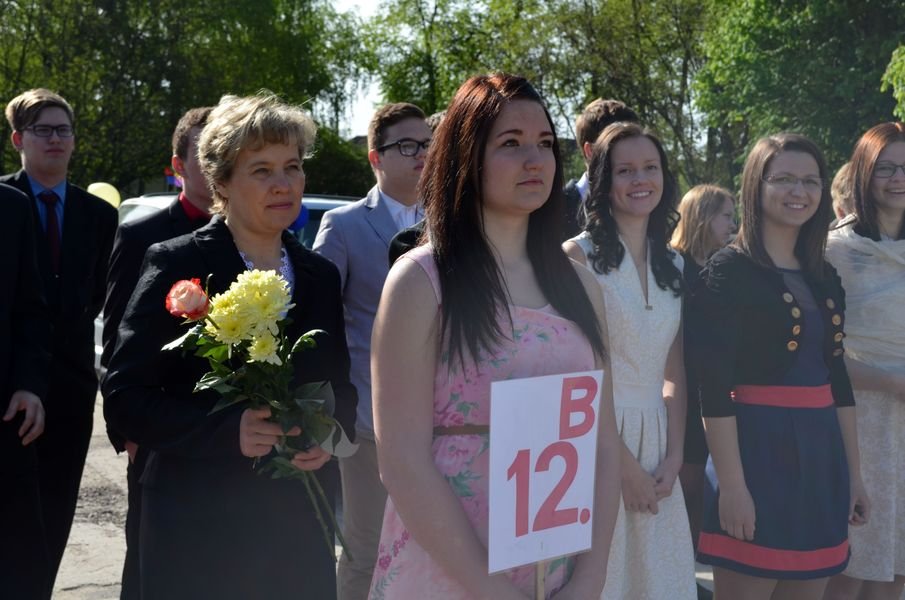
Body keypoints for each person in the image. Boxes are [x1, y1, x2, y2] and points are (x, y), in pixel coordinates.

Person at [369, 72, 622, 599]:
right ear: (467, 157)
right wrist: (493, 591)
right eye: (511, 143)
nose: (535, 160)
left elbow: (601, 446)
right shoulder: (420, 282)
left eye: (545, 144)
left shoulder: (581, 285)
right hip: (446, 572)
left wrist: (591, 576)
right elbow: (402, 461)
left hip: (556, 572)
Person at [103, 92, 357, 599]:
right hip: (197, 529)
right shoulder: (177, 263)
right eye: (261, 170)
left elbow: (340, 388)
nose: (284, 184)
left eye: (292, 166)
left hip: (295, 529)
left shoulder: (320, 275)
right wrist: (224, 432)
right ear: (220, 182)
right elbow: (125, 397)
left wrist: (326, 437)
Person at [689, 133, 870, 600]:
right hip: (755, 457)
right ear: (756, 184)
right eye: (784, 178)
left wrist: (854, 476)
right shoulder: (727, 270)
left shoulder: (825, 276)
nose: (799, 191)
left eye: (810, 181)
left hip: (822, 458)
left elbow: (838, 380)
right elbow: (712, 387)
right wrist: (732, 486)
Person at [563, 122, 697, 600]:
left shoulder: (675, 264)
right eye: (625, 170)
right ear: (603, 181)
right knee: (605, 579)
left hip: (659, 446)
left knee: (657, 582)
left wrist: (675, 455)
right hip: (594, 441)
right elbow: (574, 376)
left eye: (650, 167)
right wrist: (621, 465)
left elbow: (674, 372)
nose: (640, 179)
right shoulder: (576, 257)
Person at [2, 88, 118, 596]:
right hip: (11, 389)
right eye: (43, 130)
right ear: (18, 140)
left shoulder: (99, 216)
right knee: (14, 525)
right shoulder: (6, 203)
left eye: (63, 130)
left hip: (70, 388)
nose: (55, 139)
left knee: (54, 514)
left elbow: (98, 297)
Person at [313, 102, 431, 600]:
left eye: (428, 144)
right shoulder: (343, 225)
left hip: (443, 413)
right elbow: (317, 318)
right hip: (368, 420)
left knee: (428, 549)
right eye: (407, 145)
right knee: (366, 551)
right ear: (375, 157)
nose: (421, 154)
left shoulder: (452, 218)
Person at [101, 105, 213, 600]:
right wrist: (129, 434)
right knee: (151, 567)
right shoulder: (142, 235)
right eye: (204, 153)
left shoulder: (256, 235)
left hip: (230, 433)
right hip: (159, 431)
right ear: (178, 166)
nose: (218, 162)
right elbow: (116, 341)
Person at [823, 122, 905, 600]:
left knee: (898, 572)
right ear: (863, 174)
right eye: (886, 168)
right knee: (850, 567)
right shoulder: (834, 251)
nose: (899, 179)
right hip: (859, 420)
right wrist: (893, 382)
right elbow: (819, 354)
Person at [669, 183, 737, 597]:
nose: (733, 224)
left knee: (699, 494)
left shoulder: (721, 267)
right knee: (685, 492)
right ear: (703, 216)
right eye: (726, 215)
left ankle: (687, 581)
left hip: (711, 395)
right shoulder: (671, 266)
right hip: (679, 395)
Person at [0, 182, 52, 600]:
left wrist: (28, 386)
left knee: (19, 571)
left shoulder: (11, 208)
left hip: (4, 421)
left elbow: (30, 311)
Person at [562, 98, 640, 240]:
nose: (632, 155)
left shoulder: (643, 202)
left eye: (635, 145)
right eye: (618, 146)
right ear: (590, 151)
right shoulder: (555, 210)